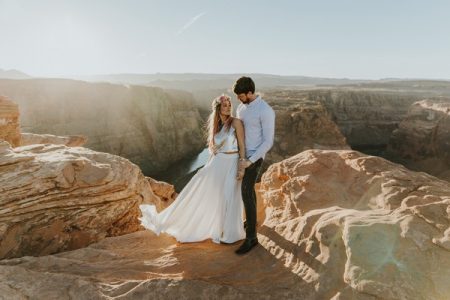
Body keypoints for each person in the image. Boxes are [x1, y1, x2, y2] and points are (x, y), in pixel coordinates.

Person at [139, 95, 247, 244]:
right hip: (217, 164)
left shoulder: (236, 122)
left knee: (231, 195)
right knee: (208, 195)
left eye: (229, 105)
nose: (228, 107)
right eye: (224, 105)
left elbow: (242, 145)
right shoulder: (216, 127)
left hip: (233, 162)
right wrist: (206, 167)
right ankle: (213, 227)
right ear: (218, 109)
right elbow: (214, 151)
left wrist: (242, 166)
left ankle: (231, 234)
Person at [233, 76, 276, 255]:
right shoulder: (241, 108)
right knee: (249, 191)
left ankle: (251, 238)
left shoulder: (265, 111)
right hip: (242, 156)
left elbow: (268, 142)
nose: (239, 99)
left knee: (245, 192)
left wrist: (251, 160)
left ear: (250, 93)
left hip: (255, 158)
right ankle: (252, 222)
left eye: (241, 95)